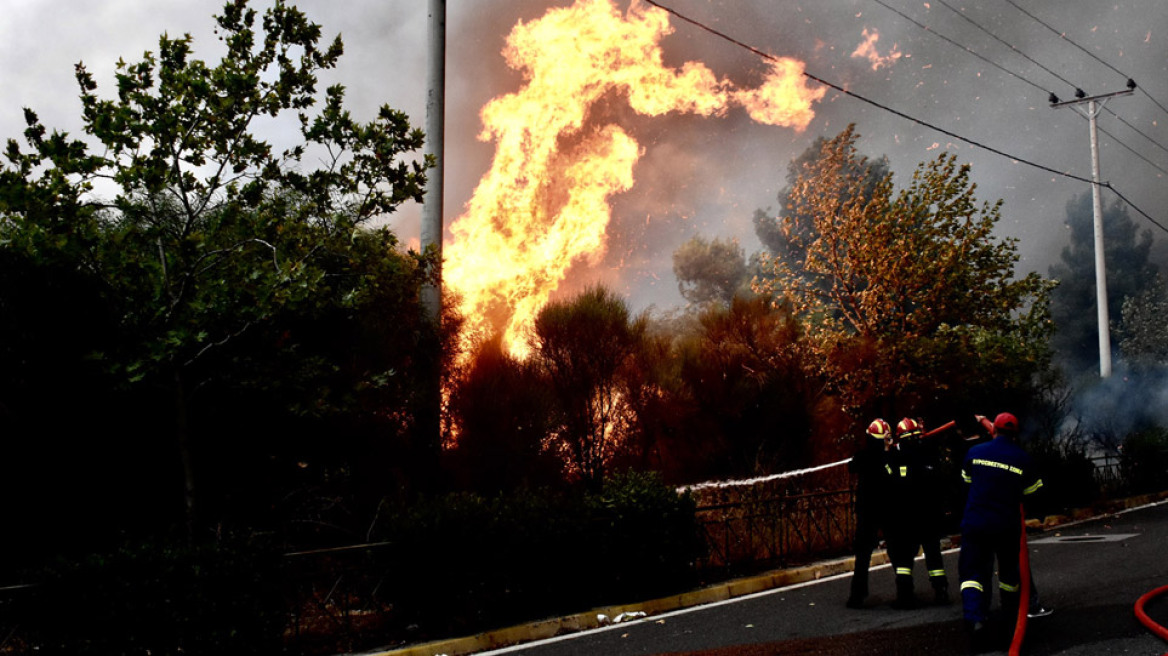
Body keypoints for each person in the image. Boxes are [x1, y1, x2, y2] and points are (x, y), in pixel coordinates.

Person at [958, 412, 1044, 645]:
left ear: (993, 429)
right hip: (1006, 526)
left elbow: (966, 482)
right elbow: (1033, 493)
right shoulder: (1022, 459)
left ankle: (976, 620)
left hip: (975, 523)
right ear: (1016, 435)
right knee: (1008, 575)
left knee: (972, 574)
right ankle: (1009, 622)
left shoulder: (975, 453)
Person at [897, 417, 950, 605]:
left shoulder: (898, 457)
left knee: (904, 557)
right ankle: (941, 590)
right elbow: (939, 482)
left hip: (907, 517)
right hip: (928, 515)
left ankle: (905, 595)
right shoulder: (928, 454)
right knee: (933, 554)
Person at [846, 418, 893, 609]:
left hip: (866, 511)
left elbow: (851, 467)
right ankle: (905, 592)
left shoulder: (862, 457)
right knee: (897, 551)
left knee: (863, 555)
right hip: (887, 509)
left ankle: (857, 595)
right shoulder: (889, 457)